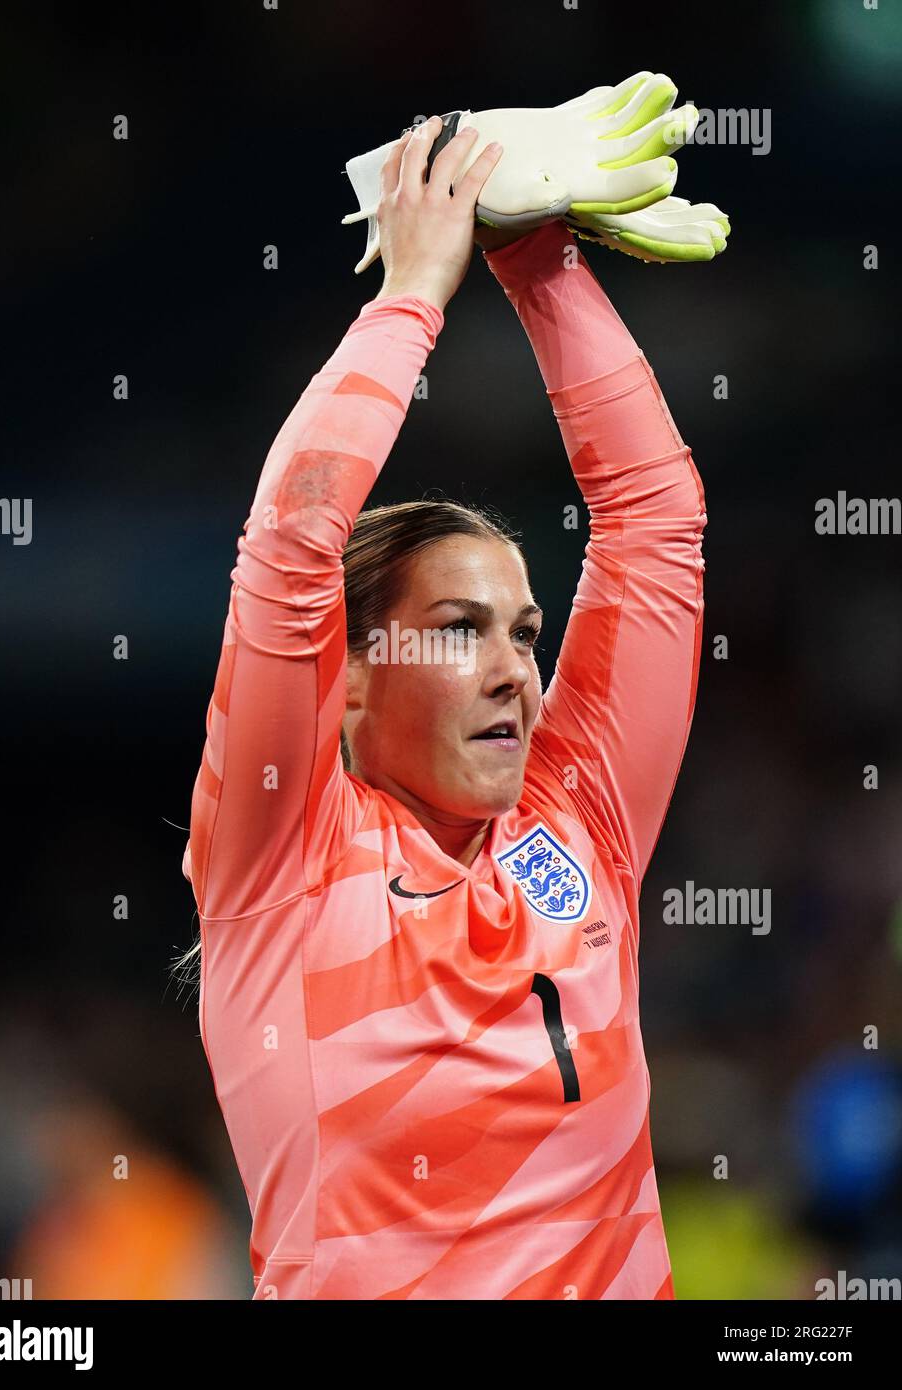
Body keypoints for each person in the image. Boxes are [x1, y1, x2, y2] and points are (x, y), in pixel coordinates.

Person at [180, 115, 706, 1299]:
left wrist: (540, 258)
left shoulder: (578, 828)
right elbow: (292, 541)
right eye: (460, 629)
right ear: (349, 672)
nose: (521, 669)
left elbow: (654, 522)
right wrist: (414, 293)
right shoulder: (279, 861)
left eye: (524, 633)